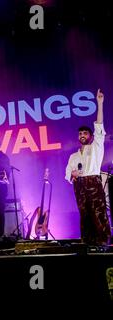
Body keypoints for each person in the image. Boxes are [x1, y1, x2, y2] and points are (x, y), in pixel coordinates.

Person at [65, 89, 111, 246]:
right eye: (80, 134)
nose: (82, 135)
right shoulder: (73, 156)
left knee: (98, 213)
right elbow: (67, 175)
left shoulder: (96, 147)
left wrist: (100, 103)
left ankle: (103, 243)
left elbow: (99, 127)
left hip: (93, 182)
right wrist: (72, 174)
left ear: (90, 136)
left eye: (85, 133)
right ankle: (88, 244)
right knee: (84, 215)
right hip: (79, 185)